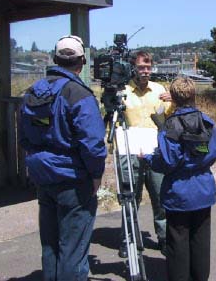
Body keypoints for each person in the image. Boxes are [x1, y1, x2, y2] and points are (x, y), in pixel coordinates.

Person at [19, 35, 107, 281]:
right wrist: (96, 175)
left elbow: (24, 136)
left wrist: (40, 160)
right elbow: (93, 144)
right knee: (73, 250)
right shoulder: (78, 94)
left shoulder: (32, 93)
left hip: (43, 178)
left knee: (50, 245)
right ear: (82, 62)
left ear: (55, 59)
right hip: (73, 179)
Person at [141, 77, 216, 281]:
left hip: (179, 192)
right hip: (203, 188)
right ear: (194, 95)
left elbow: (167, 162)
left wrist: (148, 158)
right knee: (200, 241)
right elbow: (211, 155)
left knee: (177, 242)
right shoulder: (207, 122)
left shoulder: (171, 125)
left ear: (172, 97)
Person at [117, 50, 173, 258]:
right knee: (130, 198)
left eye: (148, 67)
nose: (145, 71)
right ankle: (129, 240)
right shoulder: (122, 91)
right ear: (133, 67)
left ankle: (164, 238)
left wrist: (173, 100)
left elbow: (167, 116)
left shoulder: (159, 90)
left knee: (161, 197)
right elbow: (114, 121)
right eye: (141, 67)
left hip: (155, 152)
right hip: (130, 152)